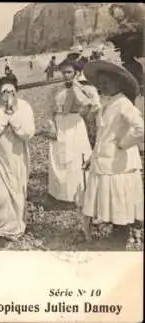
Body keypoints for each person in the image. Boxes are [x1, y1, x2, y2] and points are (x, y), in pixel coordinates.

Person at [81, 60, 144, 245]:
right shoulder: (108, 102)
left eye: (107, 81)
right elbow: (102, 136)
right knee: (111, 200)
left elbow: (141, 128)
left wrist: (124, 144)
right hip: (106, 160)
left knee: (120, 199)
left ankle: (121, 238)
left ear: (118, 82)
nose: (103, 85)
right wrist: (92, 157)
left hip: (119, 162)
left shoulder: (123, 103)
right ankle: (117, 232)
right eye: (100, 82)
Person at [0, 77, 36, 247]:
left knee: (19, 190)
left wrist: (13, 115)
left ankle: (18, 227)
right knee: (2, 195)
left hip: (18, 156)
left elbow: (28, 133)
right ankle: (4, 229)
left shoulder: (24, 107)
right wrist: (6, 114)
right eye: (5, 92)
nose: (9, 95)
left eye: (12, 91)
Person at [47, 60, 101, 204]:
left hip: (75, 123)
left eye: (69, 72)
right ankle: (60, 193)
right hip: (59, 123)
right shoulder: (56, 89)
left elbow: (91, 106)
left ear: (76, 73)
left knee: (76, 157)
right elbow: (50, 110)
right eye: (63, 72)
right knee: (59, 156)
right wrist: (51, 125)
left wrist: (77, 87)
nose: (65, 75)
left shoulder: (85, 89)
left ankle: (78, 192)